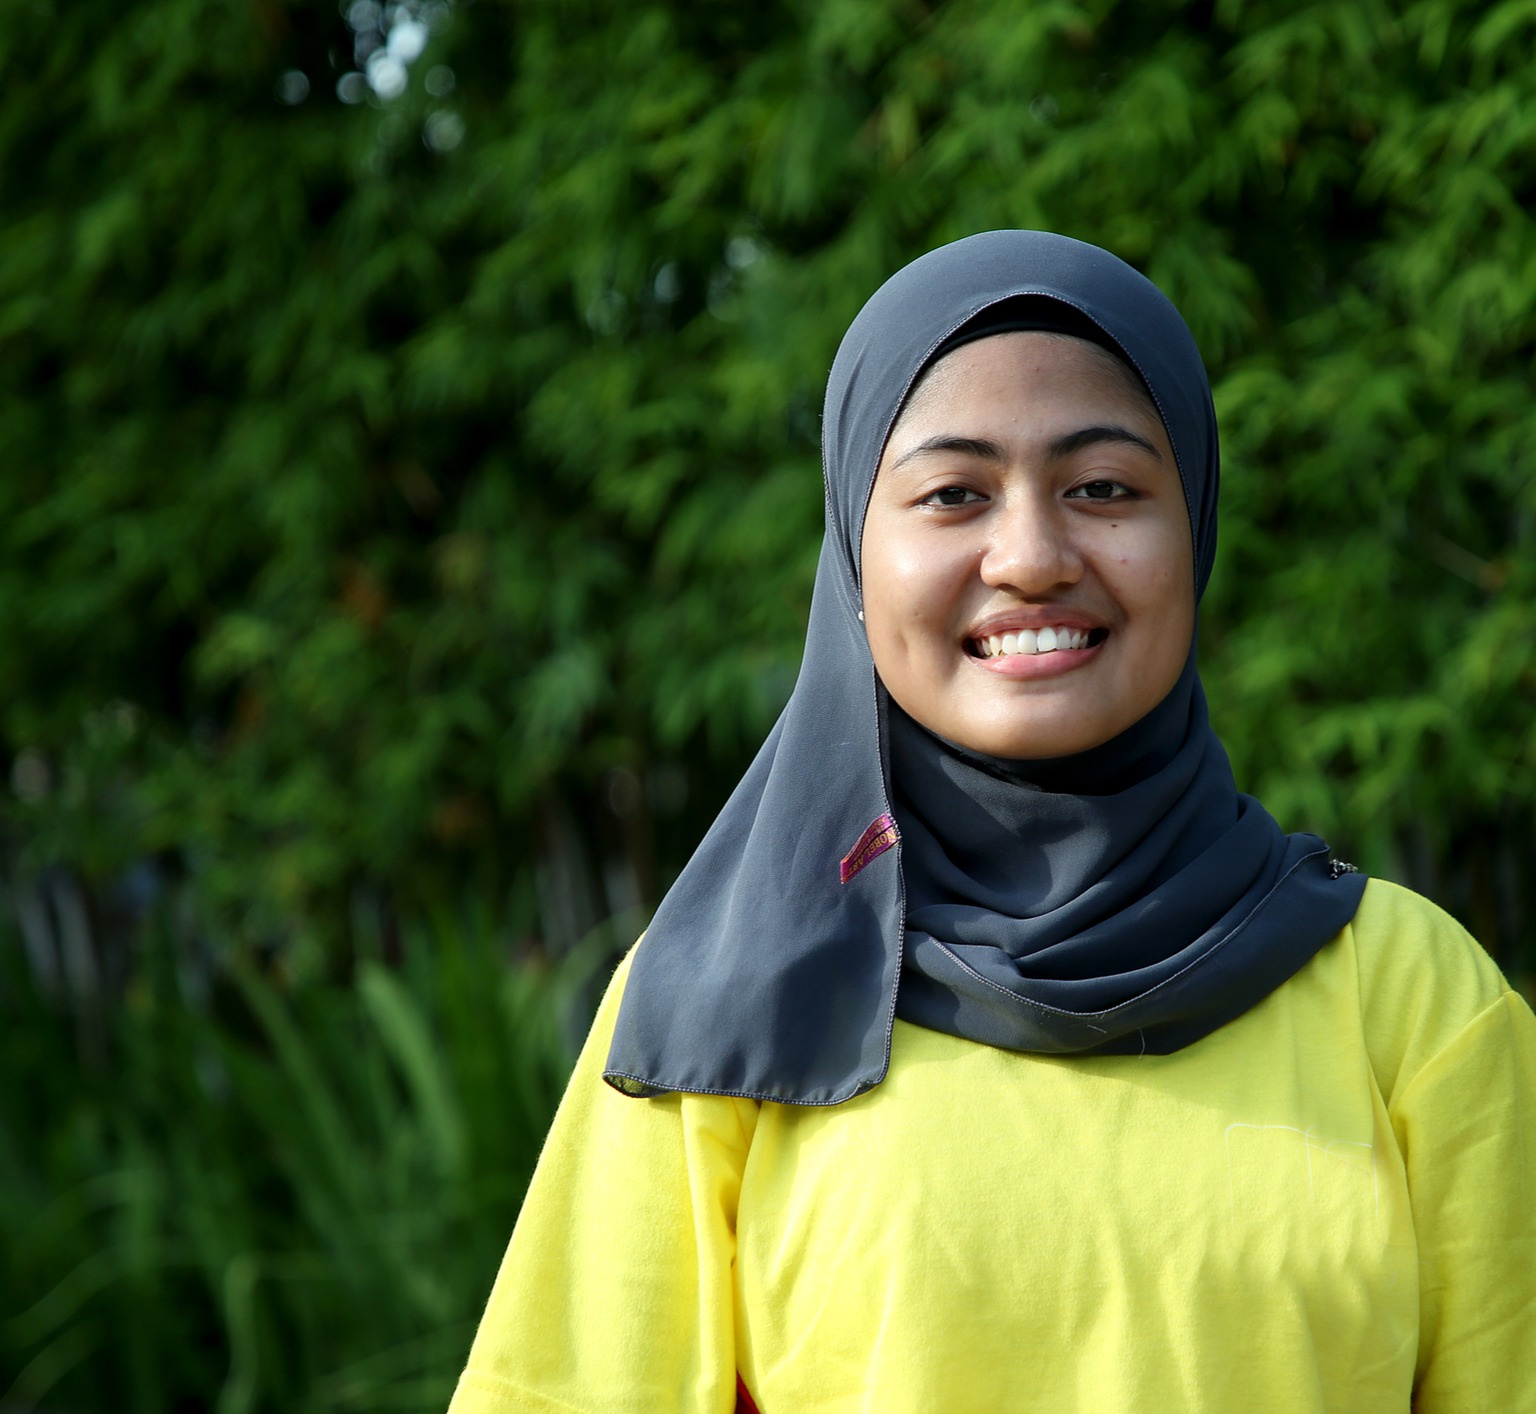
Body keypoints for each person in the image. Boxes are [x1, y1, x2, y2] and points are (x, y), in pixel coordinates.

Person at [448, 231, 1536, 1412]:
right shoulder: (724, 1005)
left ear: (1198, 527)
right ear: (855, 560)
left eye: (1105, 488)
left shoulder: (1416, 1002)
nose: (1030, 555)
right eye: (953, 493)